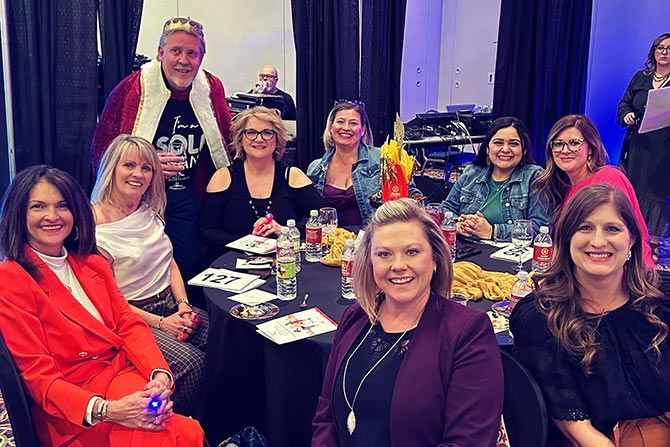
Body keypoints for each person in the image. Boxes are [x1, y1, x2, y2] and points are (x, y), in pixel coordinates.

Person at [0, 166, 203, 446]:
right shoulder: (10, 278)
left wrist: (158, 374)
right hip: (75, 409)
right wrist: (109, 410)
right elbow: (38, 375)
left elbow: (128, 324)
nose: (52, 216)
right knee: (182, 434)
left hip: (123, 378)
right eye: (38, 206)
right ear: (19, 214)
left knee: (185, 431)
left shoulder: (93, 264)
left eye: (62, 205)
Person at [312, 198, 503, 446]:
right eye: (384, 254)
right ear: (369, 262)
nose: (398, 266)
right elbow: (326, 415)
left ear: (435, 259)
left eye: (412, 252)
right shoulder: (355, 317)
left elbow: (467, 441)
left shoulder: (467, 332)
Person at [510, 183, 670, 446]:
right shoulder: (542, 317)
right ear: (566, 238)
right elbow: (578, 430)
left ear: (631, 239)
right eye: (584, 228)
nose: (598, 241)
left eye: (612, 229)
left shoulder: (662, 298)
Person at [90, 17, 233, 290]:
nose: (183, 61)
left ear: (201, 57)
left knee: (188, 260)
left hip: (186, 191)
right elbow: (104, 147)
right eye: (176, 51)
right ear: (160, 52)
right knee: (141, 262)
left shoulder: (211, 88)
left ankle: (186, 306)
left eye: (192, 53)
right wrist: (146, 163)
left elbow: (224, 141)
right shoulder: (132, 89)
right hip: (139, 195)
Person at [91, 134, 208, 416]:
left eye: (146, 168)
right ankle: (180, 425)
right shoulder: (94, 223)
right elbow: (107, 301)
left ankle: (220, 421)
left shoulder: (148, 208)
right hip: (131, 318)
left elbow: (169, 263)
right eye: (129, 165)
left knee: (227, 336)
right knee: (193, 363)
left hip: (170, 305)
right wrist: (162, 324)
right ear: (111, 168)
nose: (138, 174)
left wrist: (183, 305)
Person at [200, 106, 324, 260]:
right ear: (240, 138)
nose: (259, 139)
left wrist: (284, 230)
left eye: (267, 132)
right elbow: (206, 231)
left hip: (285, 263)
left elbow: (325, 220)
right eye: (251, 132)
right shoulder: (222, 177)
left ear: (277, 139)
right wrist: (249, 242)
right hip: (231, 265)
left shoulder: (293, 176)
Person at [534, 114, 654, 266]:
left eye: (574, 143)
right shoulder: (563, 188)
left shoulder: (608, 177)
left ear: (590, 148)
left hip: (622, 270)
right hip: (584, 269)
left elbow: (624, 237)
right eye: (558, 144)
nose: (565, 150)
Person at [307, 101, 421, 225]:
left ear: (362, 130)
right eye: (340, 122)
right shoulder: (315, 168)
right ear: (331, 127)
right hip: (332, 236)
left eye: (353, 123)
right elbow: (309, 213)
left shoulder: (385, 158)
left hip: (375, 234)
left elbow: (413, 194)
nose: (346, 128)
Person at [441, 116, 551, 241]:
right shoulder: (471, 172)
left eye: (513, 144)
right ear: (487, 149)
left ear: (524, 150)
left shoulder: (535, 176)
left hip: (511, 252)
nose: (505, 149)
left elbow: (540, 227)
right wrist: (458, 224)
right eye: (498, 143)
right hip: (466, 247)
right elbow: (447, 209)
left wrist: (492, 231)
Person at [617, 32, 670, 237]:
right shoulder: (641, 77)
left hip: (663, 149)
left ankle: (654, 244)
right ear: (653, 52)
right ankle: (630, 238)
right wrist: (626, 114)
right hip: (637, 145)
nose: (664, 52)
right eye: (660, 48)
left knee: (656, 194)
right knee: (632, 190)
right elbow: (624, 103)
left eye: (669, 49)